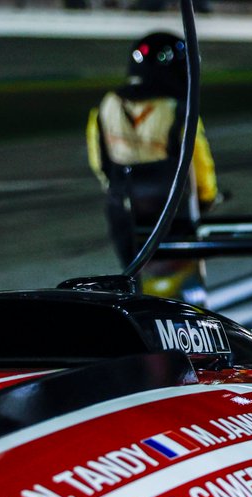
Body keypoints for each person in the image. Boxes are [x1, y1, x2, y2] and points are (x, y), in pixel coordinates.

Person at [87, 31, 216, 306]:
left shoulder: (107, 104)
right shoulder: (179, 109)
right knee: (185, 289)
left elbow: (100, 161)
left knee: (134, 280)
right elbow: (198, 161)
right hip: (172, 213)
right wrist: (206, 198)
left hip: (125, 210)